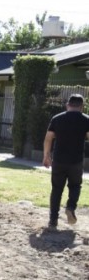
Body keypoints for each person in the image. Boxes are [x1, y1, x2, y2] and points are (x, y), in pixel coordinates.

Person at [43, 93, 89, 230]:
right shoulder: (86, 120)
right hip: (76, 161)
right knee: (75, 186)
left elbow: (48, 138)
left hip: (59, 160)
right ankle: (70, 207)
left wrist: (46, 155)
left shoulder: (57, 119)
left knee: (56, 189)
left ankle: (53, 220)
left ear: (67, 104)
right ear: (82, 106)